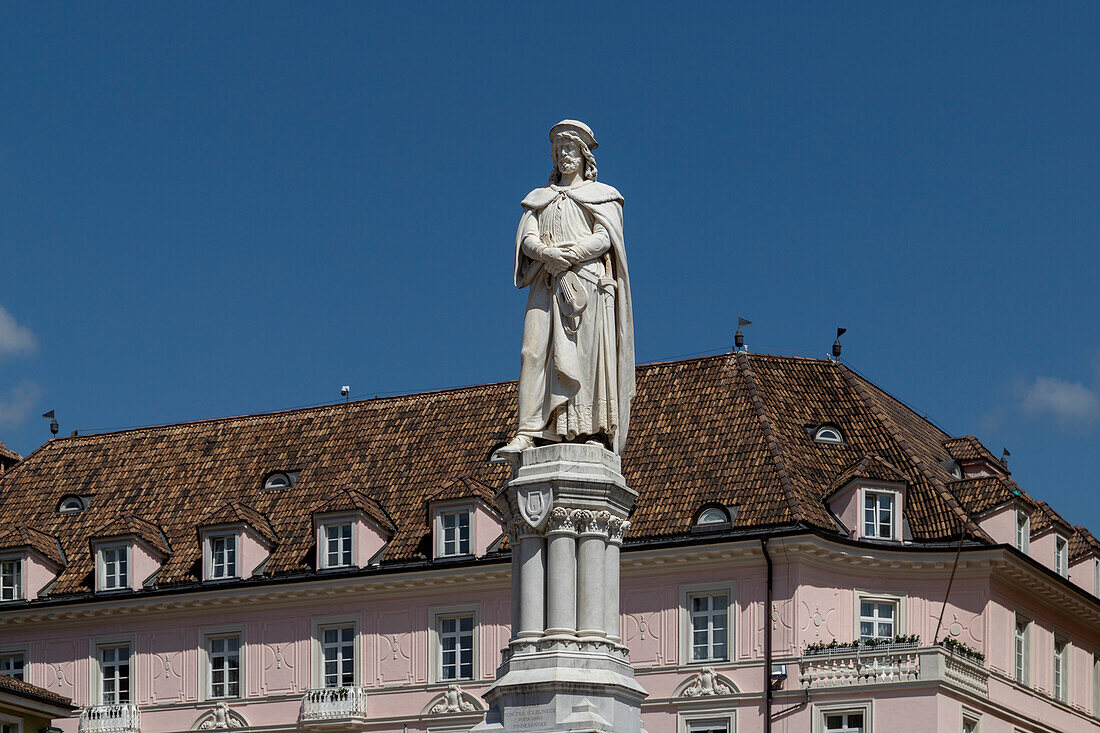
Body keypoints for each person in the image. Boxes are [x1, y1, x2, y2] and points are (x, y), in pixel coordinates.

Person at [495, 120, 634, 458]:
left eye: (571, 150)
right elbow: (527, 238)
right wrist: (547, 254)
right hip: (546, 282)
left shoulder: (604, 196)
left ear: (584, 156)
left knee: (586, 358)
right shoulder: (539, 199)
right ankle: (529, 430)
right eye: (560, 151)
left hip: (586, 287)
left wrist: (569, 255)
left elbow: (606, 238)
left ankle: (590, 429)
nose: (565, 156)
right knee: (534, 352)